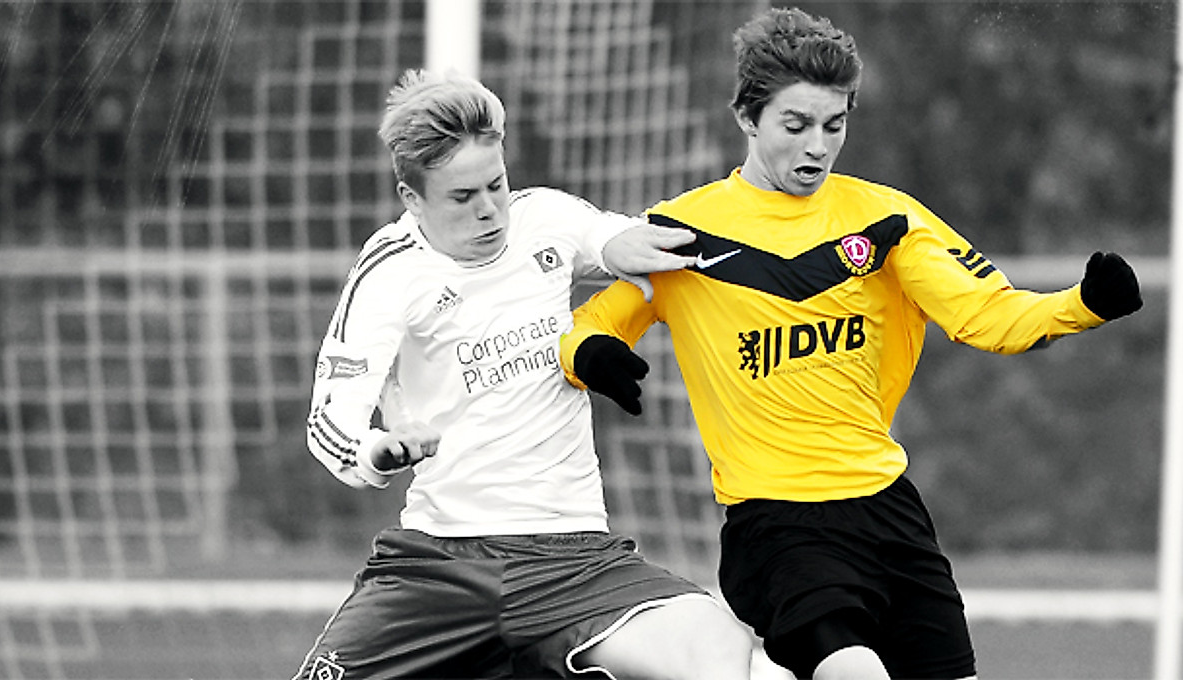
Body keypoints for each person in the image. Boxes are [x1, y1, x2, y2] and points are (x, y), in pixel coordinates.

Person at [559, 7, 1143, 680]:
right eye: (796, 125)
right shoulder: (684, 233)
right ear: (747, 117)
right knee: (854, 672)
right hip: (776, 523)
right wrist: (592, 355)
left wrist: (1082, 305)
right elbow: (591, 324)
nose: (817, 146)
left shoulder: (887, 221)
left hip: (888, 510)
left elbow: (986, 315)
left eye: (833, 125)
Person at [293, 68, 754, 680]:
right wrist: (378, 451)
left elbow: (611, 235)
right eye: (463, 197)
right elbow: (330, 420)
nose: (490, 210)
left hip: (574, 561)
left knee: (718, 649)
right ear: (412, 198)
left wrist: (628, 244)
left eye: (497, 185)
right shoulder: (390, 271)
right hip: (440, 563)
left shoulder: (545, 218)